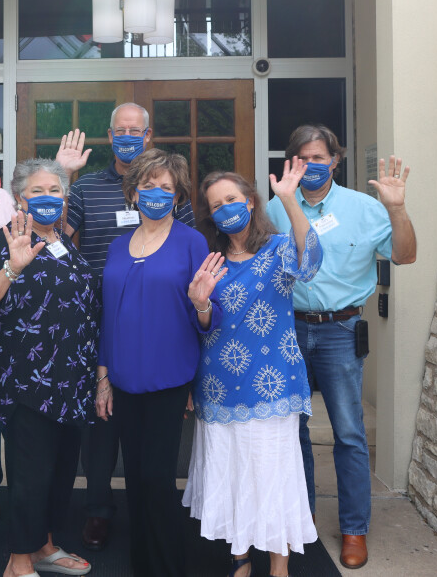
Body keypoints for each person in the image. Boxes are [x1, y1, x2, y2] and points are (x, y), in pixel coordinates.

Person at [265, 124, 416, 569]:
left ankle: (354, 529)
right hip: (287, 330)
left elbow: (405, 255)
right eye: (303, 158)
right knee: (292, 433)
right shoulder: (276, 209)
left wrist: (398, 209)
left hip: (340, 331)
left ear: (335, 160)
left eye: (320, 157)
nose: (312, 165)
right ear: (290, 162)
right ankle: (303, 517)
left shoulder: (365, 208)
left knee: (349, 434)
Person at [59, 102, 197, 551]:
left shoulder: (184, 226)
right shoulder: (89, 196)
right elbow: (58, 240)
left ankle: (162, 543)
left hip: (162, 342)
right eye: (119, 129)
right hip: (103, 330)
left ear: (148, 134)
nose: (126, 136)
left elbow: (192, 276)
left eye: (134, 130)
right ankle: (98, 511)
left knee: (154, 462)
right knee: (104, 436)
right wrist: (63, 178)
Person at [184, 163, 321, 577]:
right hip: (219, 386)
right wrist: (201, 303)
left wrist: (290, 199)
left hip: (272, 385)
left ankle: (278, 569)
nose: (225, 208)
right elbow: (205, 325)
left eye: (231, 199)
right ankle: (240, 560)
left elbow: (310, 260)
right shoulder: (210, 259)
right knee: (232, 478)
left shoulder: (278, 247)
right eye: (216, 205)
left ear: (249, 201)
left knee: (271, 478)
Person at [0, 158, 98, 577]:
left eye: (54, 191)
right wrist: (12, 268)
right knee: (30, 476)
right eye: (36, 192)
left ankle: (44, 547)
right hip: (25, 382)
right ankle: (18, 561)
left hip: (70, 382)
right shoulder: (6, 240)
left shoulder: (65, 243)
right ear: (20, 198)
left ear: (64, 198)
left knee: (60, 473)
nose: (46, 198)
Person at [94, 149, 211, 577]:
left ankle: (168, 568)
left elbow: (207, 314)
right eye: (149, 186)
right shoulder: (118, 245)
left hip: (168, 377)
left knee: (159, 482)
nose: (157, 194)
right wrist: (103, 379)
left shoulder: (191, 241)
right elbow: (108, 313)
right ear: (133, 191)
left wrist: (202, 306)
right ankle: (142, 565)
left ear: (178, 195)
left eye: (167, 187)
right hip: (123, 378)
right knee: (135, 481)